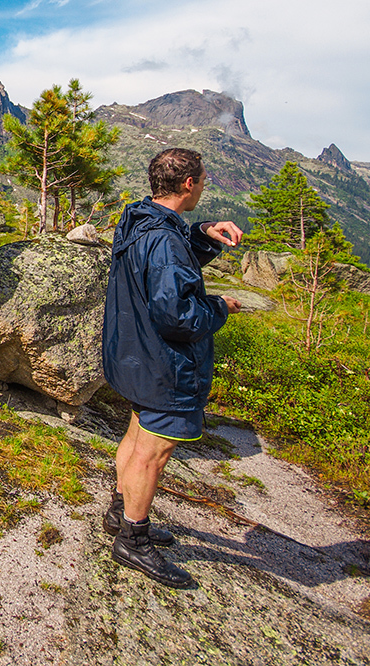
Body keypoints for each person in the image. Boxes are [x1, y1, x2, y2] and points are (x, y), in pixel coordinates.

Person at [101, 147, 243, 588]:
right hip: (162, 363)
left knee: (138, 432)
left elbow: (165, 257)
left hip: (134, 354)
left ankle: (119, 510)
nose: (203, 187)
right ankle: (133, 539)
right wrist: (219, 307)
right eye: (202, 181)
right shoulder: (163, 240)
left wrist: (201, 231)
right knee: (154, 451)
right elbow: (178, 315)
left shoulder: (139, 219)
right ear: (188, 184)